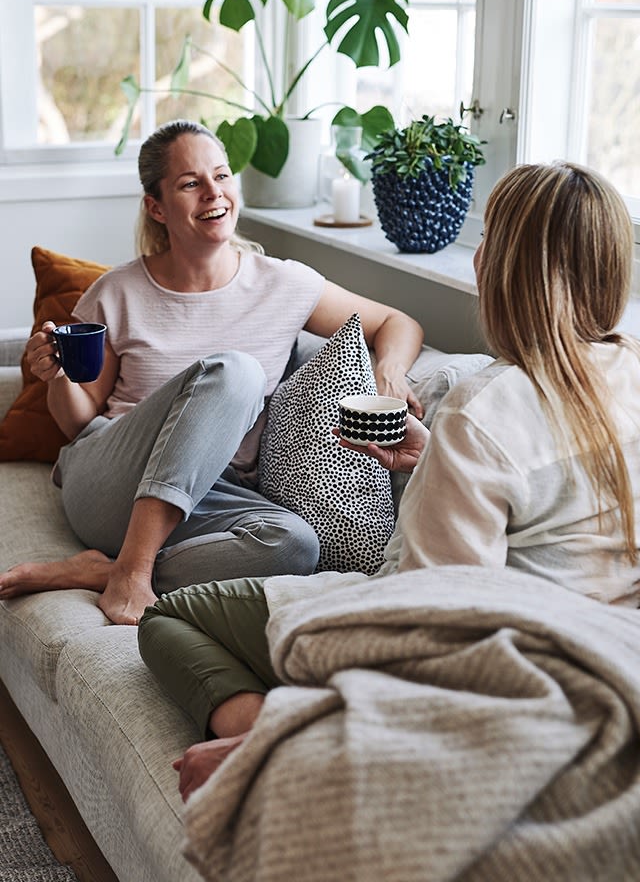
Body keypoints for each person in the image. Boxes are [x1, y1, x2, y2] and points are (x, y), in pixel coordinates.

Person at [137, 159, 640, 802]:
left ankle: (271, 742)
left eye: (488, 237)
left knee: (169, 620)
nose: (478, 251)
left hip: (485, 662)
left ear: (506, 268)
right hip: (597, 653)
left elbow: (436, 627)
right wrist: (436, 458)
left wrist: (305, 728)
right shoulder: (621, 373)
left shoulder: (483, 411)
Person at [0, 119, 425, 625]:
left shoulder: (283, 284)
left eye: (221, 176)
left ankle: (105, 569)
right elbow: (77, 423)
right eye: (190, 183)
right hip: (110, 480)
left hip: (211, 494)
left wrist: (390, 374)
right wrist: (58, 379)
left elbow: (398, 322)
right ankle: (131, 573)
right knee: (237, 373)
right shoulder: (116, 293)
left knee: (295, 545)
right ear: (156, 207)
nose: (213, 193)